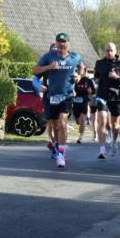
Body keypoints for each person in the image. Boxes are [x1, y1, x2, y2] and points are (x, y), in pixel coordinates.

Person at [33, 33, 83, 169]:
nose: (61, 44)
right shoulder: (49, 56)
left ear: (68, 44)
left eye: (64, 42)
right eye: (59, 42)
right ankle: (57, 145)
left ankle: (61, 156)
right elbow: (35, 70)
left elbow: (81, 66)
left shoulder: (75, 57)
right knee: (54, 126)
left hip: (67, 95)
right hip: (51, 96)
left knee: (62, 123)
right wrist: (49, 67)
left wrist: (79, 75)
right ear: (56, 43)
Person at [92, 42, 120, 159]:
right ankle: (102, 150)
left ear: (115, 51)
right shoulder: (99, 63)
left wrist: (117, 77)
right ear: (105, 51)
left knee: (115, 125)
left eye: (111, 50)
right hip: (102, 95)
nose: (109, 52)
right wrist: (97, 80)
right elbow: (96, 76)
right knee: (102, 121)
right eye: (107, 50)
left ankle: (114, 141)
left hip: (116, 96)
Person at [71, 63, 95, 144]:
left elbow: (93, 91)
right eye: (78, 69)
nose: (79, 71)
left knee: (82, 120)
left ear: (84, 71)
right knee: (77, 121)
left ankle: (80, 137)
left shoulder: (88, 81)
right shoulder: (74, 80)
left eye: (80, 69)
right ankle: (80, 132)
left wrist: (90, 92)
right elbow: (69, 88)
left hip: (84, 101)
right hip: (75, 102)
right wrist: (72, 92)